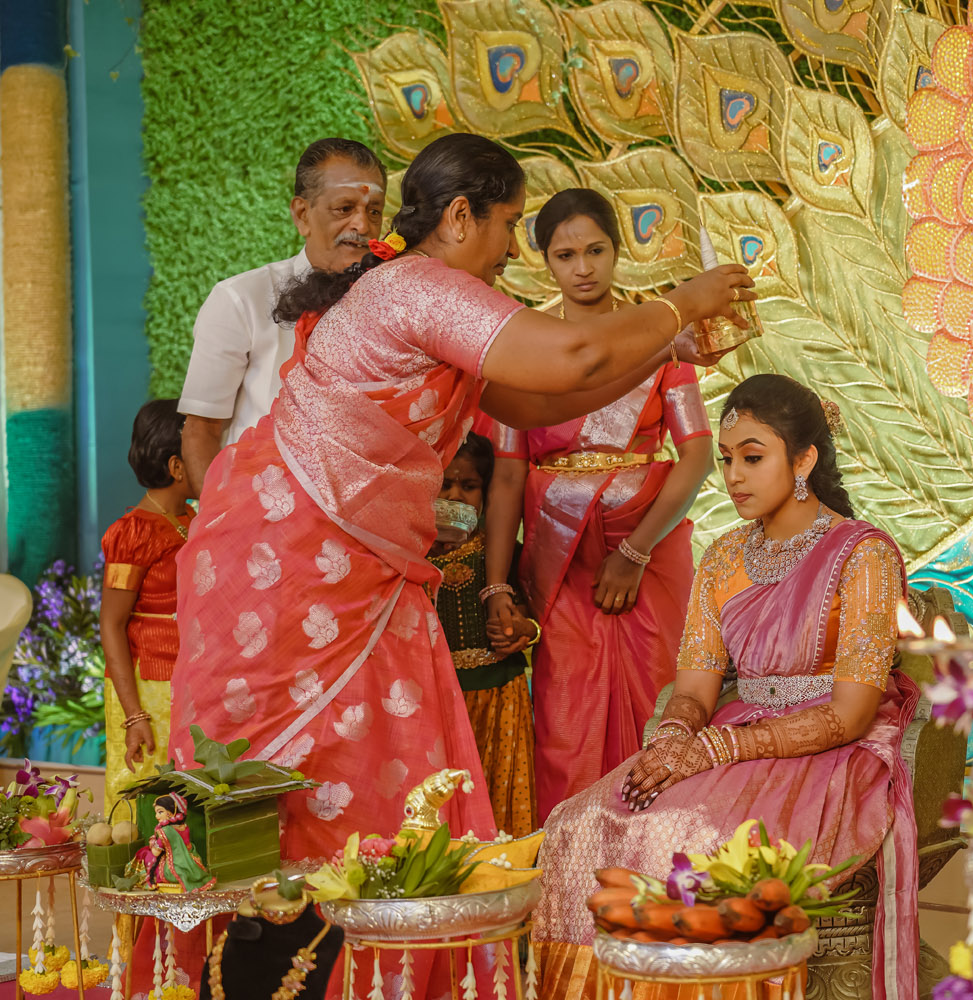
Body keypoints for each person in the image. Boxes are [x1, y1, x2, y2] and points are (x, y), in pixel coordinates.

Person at [166, 132, 750, 997]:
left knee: (372, 768)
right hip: (299, 568)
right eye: (510, 223)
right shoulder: (417, 288)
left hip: (359, 574)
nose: (516, 247)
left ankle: (370, 966)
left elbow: (535, 393)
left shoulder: (417, 292)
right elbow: (572, 357)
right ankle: (281, 966)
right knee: (300, 777)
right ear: (461, 215)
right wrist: (677, 303)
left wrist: (668, 351)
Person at [534, 374, 919, 1000]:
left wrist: (713, 751)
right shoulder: (722, 556)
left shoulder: (863, 554)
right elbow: (694, 688)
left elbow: (851, 715)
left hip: (825, 750)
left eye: (753, 457)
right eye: (727, 460)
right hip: (728, 735)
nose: (733, 476)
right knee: (579, 823)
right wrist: (672, 739)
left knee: (701, 842)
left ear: (804, 460)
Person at [482, 188, 715, 821]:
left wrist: (635, 552)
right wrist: (496, 584)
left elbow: (697, 455)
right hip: (562, 563)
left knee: (661, 703)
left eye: (595, 250)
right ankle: (571, 876)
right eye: (565, 255)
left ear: (618, 251)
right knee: (566, 721)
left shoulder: (662, 335)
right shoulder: (519, 344)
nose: (582, 268)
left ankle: (664, 862)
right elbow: (508, 475)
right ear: (544, 263)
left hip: (650, 551)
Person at [178, 137, 387, 495]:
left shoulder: (392, 305)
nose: (363, 225)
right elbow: (202, 430)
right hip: (258, 521)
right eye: (344, 209)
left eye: (374, 211)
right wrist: (216, 528)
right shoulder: (242, 299)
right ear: (302, 215)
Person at [429, 433, 537, 836]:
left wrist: (526, 631)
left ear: (488, 492)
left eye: (469, 486)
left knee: (496, 798)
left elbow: (533, 619)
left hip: (499, 698)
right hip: (438, 702)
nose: (456, 495)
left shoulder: (499, 551)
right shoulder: (411, 556)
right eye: (445, 484)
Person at [99, 400, 195, 810]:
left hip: (190, 676)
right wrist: (135, 715)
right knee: (148, 797)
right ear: (176, 467)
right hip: (149, 686)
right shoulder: (132, 534)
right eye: (200, 450)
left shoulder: (192, 518)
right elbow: (111, 624)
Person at [127, 793, 216, 892]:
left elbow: (156, 852)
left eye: (160, 812)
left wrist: (152, 842)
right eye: (156, 813)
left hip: (174, 866)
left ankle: (147, 880)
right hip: (192, 865)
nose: (157, 816)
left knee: (145, 853)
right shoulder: (184, 827)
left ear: (171, 813)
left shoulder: (165, 831)